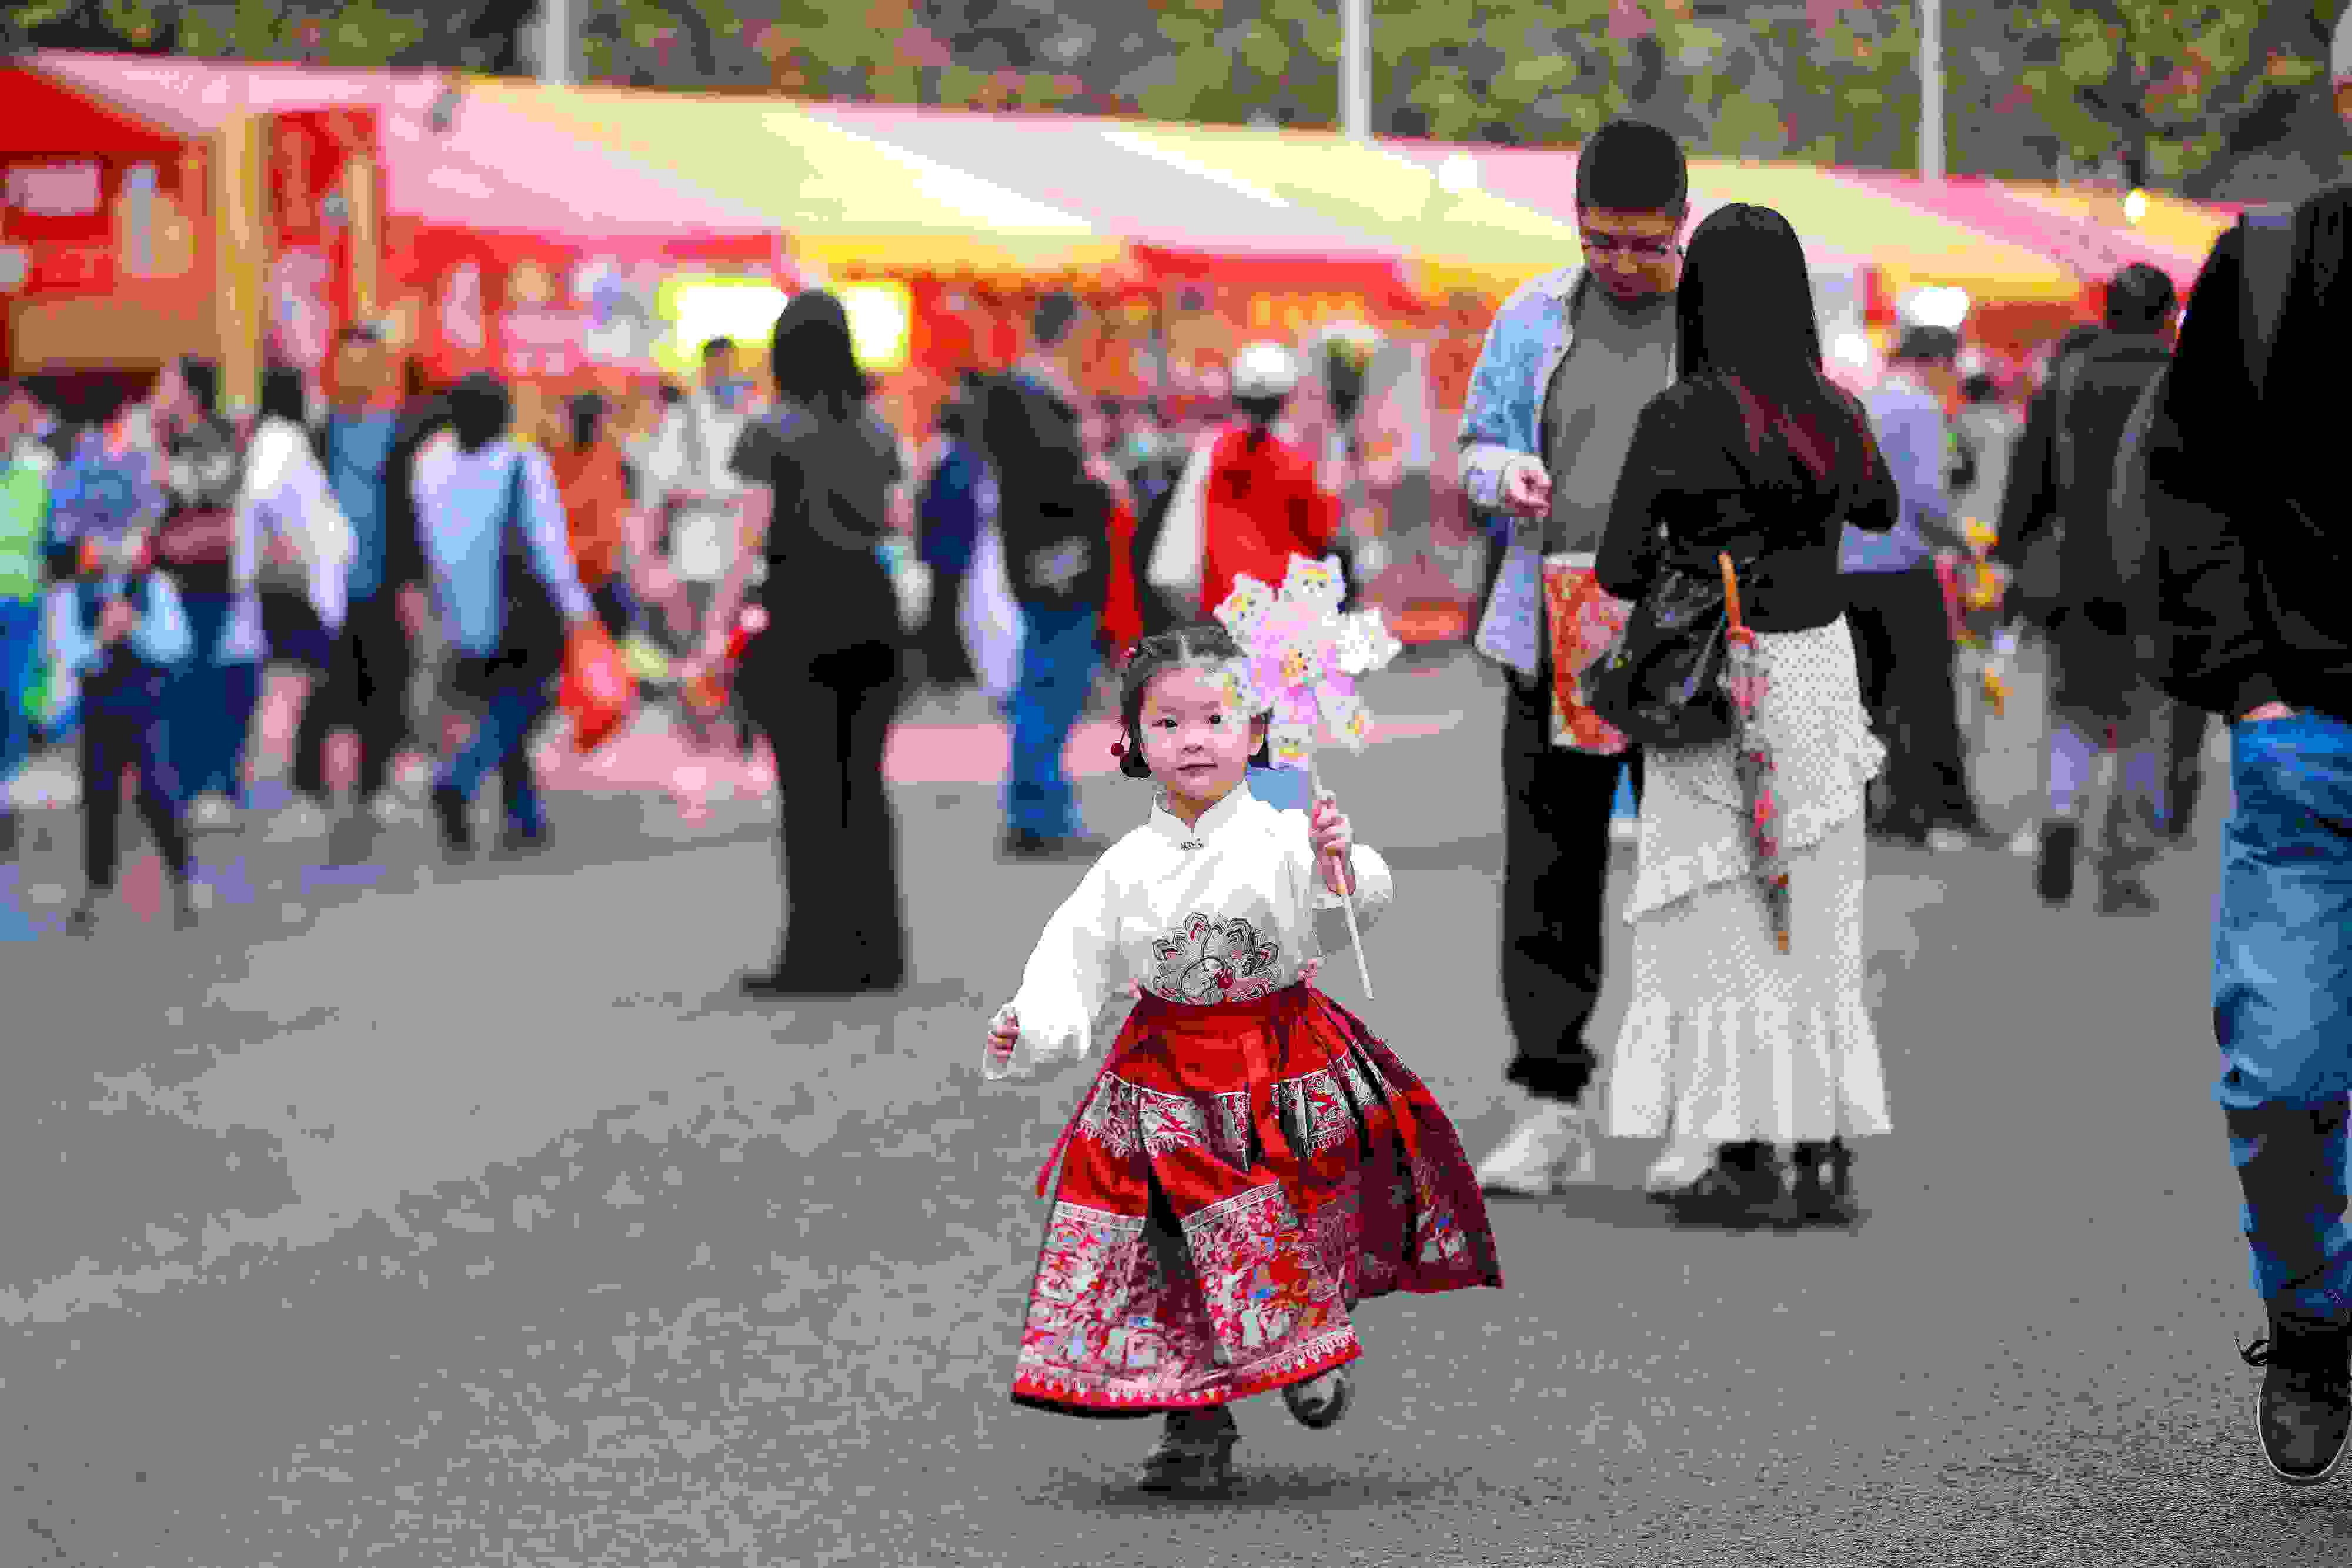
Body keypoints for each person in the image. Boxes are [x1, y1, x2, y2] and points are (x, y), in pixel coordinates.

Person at [981, 621, 1500, 1495]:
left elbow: (1341, 917)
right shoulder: (1125, 866)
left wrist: (1343, 869)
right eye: (1170, 722)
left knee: (1284, 1214)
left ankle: (1300, 1344)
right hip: (1164, 1079)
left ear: (1257, 730)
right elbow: (1076, 955)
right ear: (1137, 741)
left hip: (1277, 1057)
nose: (1195, 740)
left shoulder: (1285, 837)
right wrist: (1032, 1022)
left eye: (1216, 718)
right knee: (1175, 1247)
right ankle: (1197, 1419)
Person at [1593, 203, 1901, 1221]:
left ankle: (1734, 1144)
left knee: (1718, 911)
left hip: (1712, 684)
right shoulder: (1838, 412)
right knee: (1816, 905)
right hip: (1816, 670)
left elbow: (1619, 565)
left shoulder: (1678, 414)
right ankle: (1820, 1142)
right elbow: (1882, 509)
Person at [2124, 190, 2352, 1487]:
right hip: (2303, 740)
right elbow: (2186, 472)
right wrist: (2248, 684)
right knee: (2276, 1076)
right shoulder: (2267, 265)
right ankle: (2311, 1315)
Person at [1454, 116, 1685, 1196]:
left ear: (1684, 226)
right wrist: (1506, 476)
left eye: (1648, 243)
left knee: (1697, 876)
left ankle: (1702, 1107)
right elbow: (1476, 447)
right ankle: (1550, 1103)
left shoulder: (1721, 322)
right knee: (1551, 870)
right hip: (1552, 626)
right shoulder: (1533, 316)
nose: (1626, 265)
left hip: (1686, 636)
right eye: (1603, 241)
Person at [696, 290, 914, 997]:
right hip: (872, 615)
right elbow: (896, 520)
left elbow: (750, 538)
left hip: (801, 617)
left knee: (810, 794)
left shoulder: (768, 433)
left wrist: (713, 627)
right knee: (864, 786)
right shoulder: (879, 433)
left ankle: (815, 956)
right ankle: (879, 951)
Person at [1994, 265, 2179, 917]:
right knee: (2140, 724)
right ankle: (2122, 867)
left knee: (2072, 713)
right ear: (2167, 315)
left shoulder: (2067, 380)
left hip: (2075, 575)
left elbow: (2030, 475)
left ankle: (2059, 819)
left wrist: (2011, 551)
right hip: (2154, 581)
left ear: (2106, 312)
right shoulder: (2181, 384)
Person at [410, 372, 596, 859]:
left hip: (458, 615)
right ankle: (460, 778)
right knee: (525, 704)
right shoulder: (522, 464)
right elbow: (548, 548)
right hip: (519, 614)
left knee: (499, 705)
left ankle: (524, 816)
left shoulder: (429, 464)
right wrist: (578, 612)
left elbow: (426, 538)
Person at [1841, 319, 2000, 852]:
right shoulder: (1922, 410)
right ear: (1936, 363)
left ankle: (1865, 809)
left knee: (1865, 697)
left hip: (1847, 571)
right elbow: (1927, 502)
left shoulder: (1863, 401)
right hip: (1903, 569)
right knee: (1924, 696)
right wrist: (1964, 546)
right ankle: (1927, 810)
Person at [985, 291, 1120, 861]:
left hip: (1043, 553)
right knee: (1051, 685)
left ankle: (1036, 806)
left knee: (1049, 684)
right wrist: (1095, 487)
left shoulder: (1027, 398)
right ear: (1068, 333)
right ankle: (1038, 811)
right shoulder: (1035, 402)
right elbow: (1047, 487)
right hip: (1057, 556)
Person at [293, 327, 429, 835]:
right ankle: (310, 786)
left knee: (385, 686)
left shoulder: (401, 431)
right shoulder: (318, 434)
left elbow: (409, 513)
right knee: (328, 688)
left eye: (368, 364)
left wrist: (412, 582)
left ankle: (373, 787)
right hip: (327, 583)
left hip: (383, 581)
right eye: (348, 363)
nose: (358, 374)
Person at [46, 503, 198, 934]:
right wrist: (101, 637)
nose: (113, 546)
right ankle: (96, 887)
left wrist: (134, 627)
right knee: (98, 797)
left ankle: (182, 878)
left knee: (158, 791)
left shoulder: (156, 587)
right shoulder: (68, 595)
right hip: (97, 709)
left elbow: (176, 645)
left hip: (147, 705)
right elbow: (70, 655)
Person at [148, 357, 263, 834]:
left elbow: (206, 489)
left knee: (216, 685)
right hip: (177, 585)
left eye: (168, 384)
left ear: (191, 393)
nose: (160, 392)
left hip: (214, 585)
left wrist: (160, 471)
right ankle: (189, 786)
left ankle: (214, 787)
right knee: (181, 688)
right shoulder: (170, 440)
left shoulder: (220, 438)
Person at [644, 338, 751, 653]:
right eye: (720, 366)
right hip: (693, 551)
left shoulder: (746, 418)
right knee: (693, 642)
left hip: (738, 552)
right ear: (706, 368)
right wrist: (714, 497)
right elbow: (660, 485)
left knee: (733, 641)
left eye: (731, 366)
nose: (726, 374)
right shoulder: (682, 418)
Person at [0, 384, 56, 856]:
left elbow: (56, 531)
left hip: (23, 604)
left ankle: (6, 791)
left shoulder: (37, 469)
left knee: (16, 701)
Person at [911, 372, 988, 691]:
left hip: (945, 546)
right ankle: (948, 666)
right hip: (959, 545)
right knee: (951, 607)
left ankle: (945, 666)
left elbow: (928, 505)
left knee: (944, 607)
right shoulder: (968, 462)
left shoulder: (946, 462)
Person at [546, 392, 637, 643]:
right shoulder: (597, 462)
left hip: (579, 580)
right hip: (587, 581)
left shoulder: (598, 461)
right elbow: (610, 531)